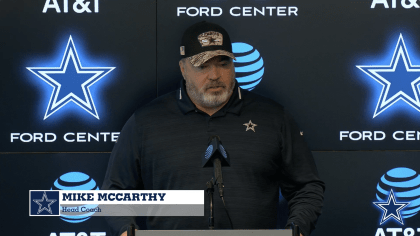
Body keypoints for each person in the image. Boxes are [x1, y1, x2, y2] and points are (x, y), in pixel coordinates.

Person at [102, 21, 325, 236]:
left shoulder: (274, 117)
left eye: (223, 63)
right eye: (203, 66)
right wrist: (125, 232)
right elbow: (115, 194)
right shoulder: (146, 121)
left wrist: (297, 230)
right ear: (183, 68)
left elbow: (306, 187)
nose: (215, 75)